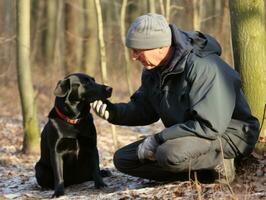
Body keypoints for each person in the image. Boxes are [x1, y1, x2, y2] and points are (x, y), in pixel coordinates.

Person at [91, 13, 259, 183]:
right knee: (124, 159)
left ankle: (221, 162)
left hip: (229, 135)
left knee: (168, 154)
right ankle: (204, 174)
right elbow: (144, 109)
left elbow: (209, 126)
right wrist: (113, 112)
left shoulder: (203, 66)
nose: (133, 57)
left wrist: (159, 139)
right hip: (189, 136)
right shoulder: (153, 71)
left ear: (160, 46)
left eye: (138, 50)